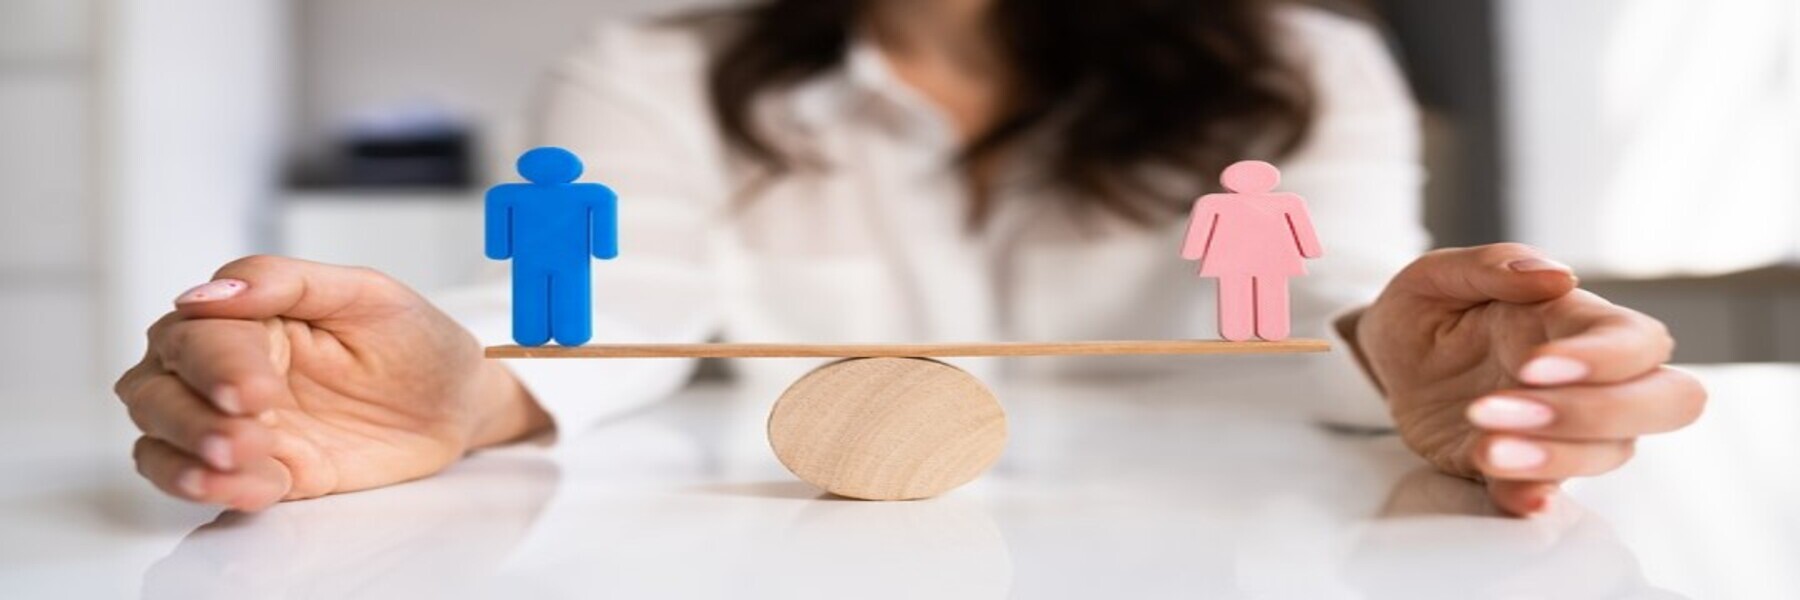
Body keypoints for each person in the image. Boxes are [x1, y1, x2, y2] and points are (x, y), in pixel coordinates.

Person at [113, 0, 1705, 516]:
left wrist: (1404, 352)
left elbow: (1322, 279)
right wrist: (460, 386)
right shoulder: (648, 72)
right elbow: (611, 297)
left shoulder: (1304, 63)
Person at [484, 146, 620, 347]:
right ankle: (569, 334)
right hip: (568, 259)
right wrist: (604, 249)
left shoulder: (504, 194)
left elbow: (497, 229)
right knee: (570, 293)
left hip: (535, 258)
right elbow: (604, 216)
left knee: (530, 294)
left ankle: (533, 333)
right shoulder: (593, 193)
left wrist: (499, 250)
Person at [1181, 160, 1322, 341]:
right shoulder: (1213, 202)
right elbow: (1304, 230)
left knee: (1246, 290)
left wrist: (1193, 251)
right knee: (1253, 290)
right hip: (1253, 258)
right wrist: (1310, 250)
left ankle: (1255, 329)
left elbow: (1303, 228)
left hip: (1249, 257)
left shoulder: (1214, 202)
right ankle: (1253, 329)